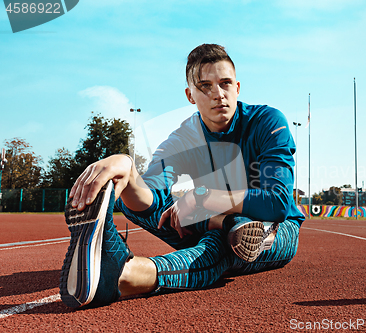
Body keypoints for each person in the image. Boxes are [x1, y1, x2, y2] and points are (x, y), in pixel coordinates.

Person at [59, 44, 305, 308]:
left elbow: (277, 203)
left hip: (275, 229)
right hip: (209, 219)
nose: (218, 94)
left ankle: (127, 275)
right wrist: (127, 168)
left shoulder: (268, 122)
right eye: (205, 86)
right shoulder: (182, 139)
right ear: (190, 95)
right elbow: (152, 198)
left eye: (225, 83)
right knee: (131, 202)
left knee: (231, 241)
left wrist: (204, 197)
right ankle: (221, 224)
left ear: (237, 87)